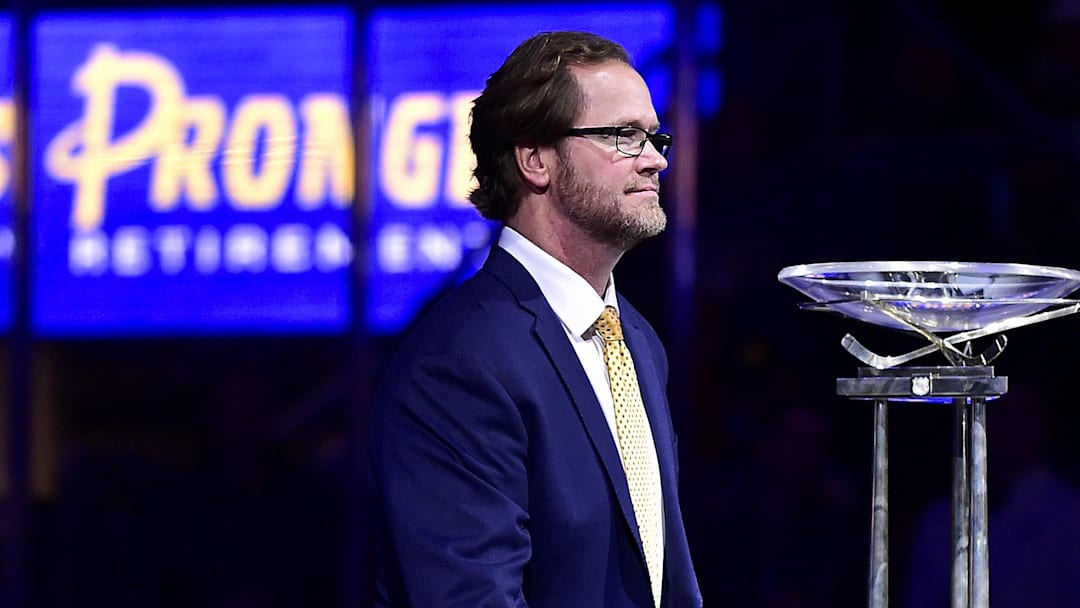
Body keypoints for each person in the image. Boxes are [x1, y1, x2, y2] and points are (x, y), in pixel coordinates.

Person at [367, 31, 702, 607]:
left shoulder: (637, 340)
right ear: (535, 159)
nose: (654, 159)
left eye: (654, 136)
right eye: (624, 136)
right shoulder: (460, 363)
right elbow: (470, 596)